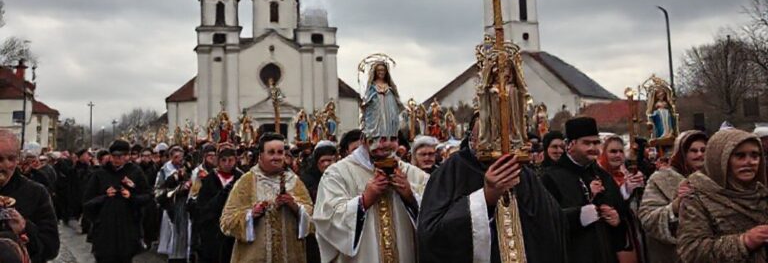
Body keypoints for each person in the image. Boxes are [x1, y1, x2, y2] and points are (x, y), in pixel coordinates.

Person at [417, 113, 567, 263]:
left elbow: (554, 227)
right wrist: (484, 199)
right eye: (487, 138)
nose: (497, 145)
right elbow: (431, 235)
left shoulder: (524, 173)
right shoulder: (452, 171)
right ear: (472, 140)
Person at [313, 117, 429, 263]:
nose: (386, 144)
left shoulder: (414, 174)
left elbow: (436, 218)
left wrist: (411, 198)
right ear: (364, 138)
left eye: (392, 138)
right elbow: (326, 220)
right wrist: (363, 201)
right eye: (379, 137)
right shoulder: (337, 174)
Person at [541, 117, 627, 263]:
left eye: (596, 142)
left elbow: (620, 210)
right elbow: (545, 221)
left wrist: (617, 219)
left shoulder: (603, 176)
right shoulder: (551, 177)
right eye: (587, 143)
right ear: (571, 144)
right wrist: (578, 216)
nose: (593, 148)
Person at [219, 132, 313, 262]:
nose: (276, 157)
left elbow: (313, 219)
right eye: (271, 152)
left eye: (280, 152)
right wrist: (250, 215)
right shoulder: (247, 181)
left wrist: (295, 206)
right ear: (261, 155)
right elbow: (226, 222)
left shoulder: (294, 182)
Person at [676, 129, 767, 262]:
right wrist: (743, 242)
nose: (750, 162)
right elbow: (692, 252)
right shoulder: (697, 197)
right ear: (720, 159)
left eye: (755, 155)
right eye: (740, 156)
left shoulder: (761, 193)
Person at [638, 130, 707, 263]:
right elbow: (647, 218)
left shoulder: (715, 177)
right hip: (674, 255)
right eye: (693, 151)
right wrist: (675, 207)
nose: (700, 154)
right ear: (682, 153)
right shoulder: (661, 179)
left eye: (703, 150)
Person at [83, 139, 151, 263]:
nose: (116, 159)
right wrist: (104, 196)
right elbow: (87, 202)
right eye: (114, 156)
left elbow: (147, 196)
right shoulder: (100, 174)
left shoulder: (135, 172)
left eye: (121, 156)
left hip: (128, 230)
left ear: (127, 156)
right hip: (105, 231)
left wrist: (131, 196)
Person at [0, 130, 59, 263]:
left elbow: (51, 248)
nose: (5, 165)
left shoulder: (36, 192)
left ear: (18, 159)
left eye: (11, 158)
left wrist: (25, 227)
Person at [597, 135, 646, 263]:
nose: (618, 155)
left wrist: (639, 189)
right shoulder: (597, 176)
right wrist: (624, 191)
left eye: (621, 151)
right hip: (609, 237)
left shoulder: (627, 173)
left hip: (631, 232)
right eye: (613, 151)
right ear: (604, 153)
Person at [194, 147, 243, 263]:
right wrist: (221, 195)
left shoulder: (241, 178)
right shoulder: (208, 180)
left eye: (230, 160)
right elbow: (201, 208)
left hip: (234, 232)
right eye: (223, 160)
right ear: (218, 161)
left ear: (235, 160)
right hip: (213, 232)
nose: (227, 164)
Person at [155, 146, 191, 262]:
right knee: (174, 234)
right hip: (172, 205)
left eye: (181, 157)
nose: (179, 160)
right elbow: (158, 189)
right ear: (170, 157)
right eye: (176, 157)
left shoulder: (188, 167)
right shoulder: (164, 170)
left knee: (186, 233)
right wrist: (175, 187)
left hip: (186, 204)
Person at [138, 147, 160, 247]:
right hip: (140, 196)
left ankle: (149, 239)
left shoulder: (155, 168)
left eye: (148, 156)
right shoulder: (137, 168)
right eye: (144, 156)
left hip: (151, 197)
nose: (146, 158)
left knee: (150, 220)